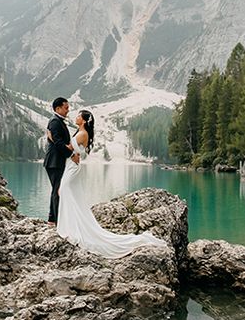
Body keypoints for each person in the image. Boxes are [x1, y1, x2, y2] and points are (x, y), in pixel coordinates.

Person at [56, 109, 167, 258]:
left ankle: (72, 227)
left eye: (78, 116)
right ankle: (70, 225)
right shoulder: (80, 132)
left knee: (65, 191)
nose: (75, 117)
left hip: (72, 167)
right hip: (71, 165)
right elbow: (73, 150)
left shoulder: (82, 134)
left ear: (83, 120)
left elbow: (69, 148)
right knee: (67, 193)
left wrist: (54, 140)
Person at [43, 97, 80, 225]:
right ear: (57, 108)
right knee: (58, 190)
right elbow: (58, 142)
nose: (68, 110)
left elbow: (58, 141)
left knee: (56, 189)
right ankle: (57, 221)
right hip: (54, 162)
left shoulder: (57, 121)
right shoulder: (55, 122)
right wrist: (71, 154)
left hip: (56, 161)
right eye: (66, 108)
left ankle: (52, 219)